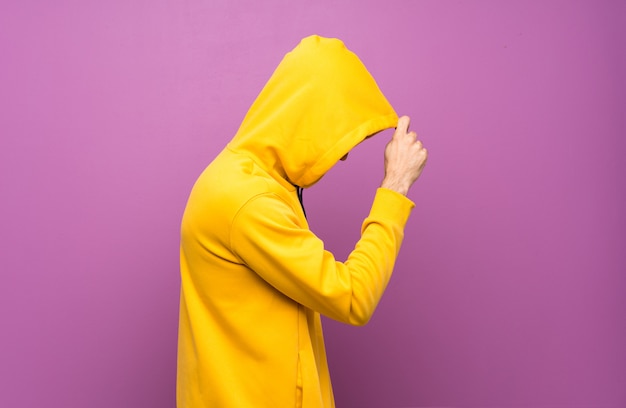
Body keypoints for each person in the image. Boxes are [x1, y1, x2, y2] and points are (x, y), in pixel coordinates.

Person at [176, 35, 428, 407]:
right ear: (307, 117)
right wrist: (396, 186)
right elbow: (353, 298)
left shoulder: (250, 180)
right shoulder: (249, 201)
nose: (341, 159)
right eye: (340, 139)